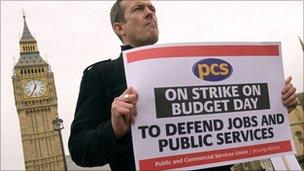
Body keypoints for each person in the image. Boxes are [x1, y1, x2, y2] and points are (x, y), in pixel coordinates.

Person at [68, 0, 299, 171]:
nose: (150, 13)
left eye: (152, 9)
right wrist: (114, 128)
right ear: (120, 28)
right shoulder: (100, 76)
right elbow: (80, 150)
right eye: (139, 9)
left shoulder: (186, 66)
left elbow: (233, 116)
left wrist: (275, 104)